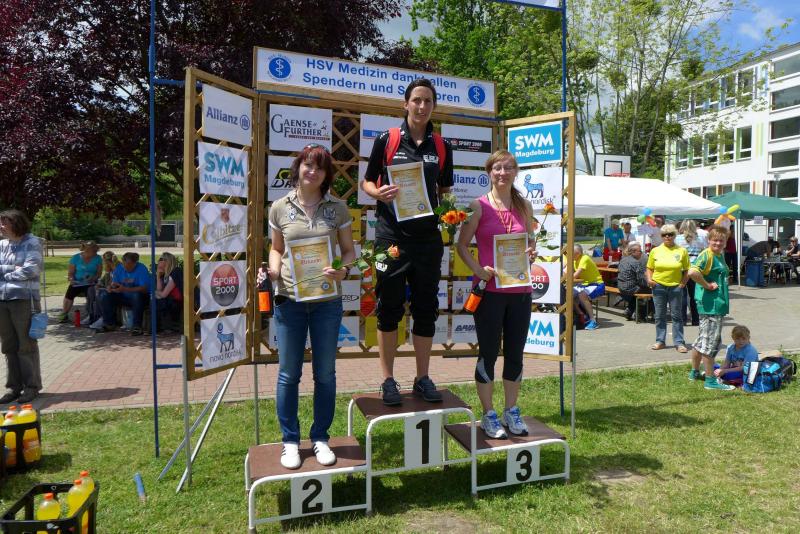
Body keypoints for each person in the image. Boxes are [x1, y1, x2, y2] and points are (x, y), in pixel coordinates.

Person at [361, 78, 454, 406]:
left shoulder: (442, 145)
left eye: (428, 101)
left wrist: (448, 214)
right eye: (416, 100)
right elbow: (367, 182)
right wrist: (378, 192)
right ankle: (388, 380)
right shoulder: (387, 139)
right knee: (389, 308)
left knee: (426, 310)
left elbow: (445, 191)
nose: (422, 106)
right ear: (406, 104)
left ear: (433, 106)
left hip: (428, 240)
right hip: (391, 238)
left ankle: (422, 377)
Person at [264, 144, 355, 469]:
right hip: (289, 300)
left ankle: (320, 438)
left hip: (326, 303)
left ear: (326, 174)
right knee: (288, 374)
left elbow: (348, 251)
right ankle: (290, 441)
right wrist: (273, 270)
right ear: (298, 167)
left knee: (325, 374)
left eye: (319, 167)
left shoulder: (338, 208)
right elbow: (276, 249)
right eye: (307, 164)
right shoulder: (279, 208)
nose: (312, 171)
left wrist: (342, 270)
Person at [456, 150, 537, 439]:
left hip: (520, 290)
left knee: (515, 354)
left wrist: (532, 251)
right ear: (489, 172)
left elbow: (531, 240)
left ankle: (511, 410)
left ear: (516, 172)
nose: (503, 173)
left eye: (508, 168)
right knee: (488, 353)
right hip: (490, 292)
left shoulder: (524, 205)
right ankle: (489, 413)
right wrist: (479, 270)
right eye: (497, 168)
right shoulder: (477, 206)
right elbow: (461, 245)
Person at [685, 225, 737, 390]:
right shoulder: (707, 255)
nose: (718, 243)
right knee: (711, 343)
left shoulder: (718, 255)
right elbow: (692, 272)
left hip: (715, 304)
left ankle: (694, 372)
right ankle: (710, 381)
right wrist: (707, 285)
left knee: (702, 340)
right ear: (709, 240)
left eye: (722, 240)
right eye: (715, 240)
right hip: (711, 305)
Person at [0, 210, 43, 404]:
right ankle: (14, 387)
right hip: (2, 299)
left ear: (16, 224)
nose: (1, 227)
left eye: (4, 223)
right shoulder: (2, 245)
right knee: (8, 345)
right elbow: (21, 270)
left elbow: (31, 269)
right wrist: (13, 270)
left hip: (24, 299)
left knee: (26, 345)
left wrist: (5, 274)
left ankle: (31, 387)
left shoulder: (32, 242)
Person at [646, 224, 689, 352]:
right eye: (664, 235)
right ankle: (660, 341)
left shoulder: (682, 251)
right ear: (661, 236)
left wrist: (682, 284)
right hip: (658, 286)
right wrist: (649, 279)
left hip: (675, 287)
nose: (667, 237)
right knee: (659, 315)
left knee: (677, 316)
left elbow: (687, 270)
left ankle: (679, 342)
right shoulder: (655, 250)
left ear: (674, 236)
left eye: (670, 234)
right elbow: (649, 268)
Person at [100, 252, 150, 335]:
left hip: (141, 298)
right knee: (105, 295)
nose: (126, 268)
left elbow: (144, 288)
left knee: (136, 295)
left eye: (129, 265)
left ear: (135, 263)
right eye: (124, 265)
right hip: (123, 296)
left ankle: (137, 327)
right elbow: (114, 283)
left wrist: (125, 289)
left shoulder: (141, 268)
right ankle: (109, 324)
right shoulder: (119, 268)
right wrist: (111, 287)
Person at [57, 241, 102, 323]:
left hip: (90, 283)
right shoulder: (75, 258)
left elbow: (99, 274)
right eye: (93, 251)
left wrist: (93, 278)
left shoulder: (98, 258)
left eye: (95, 251)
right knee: (70, 293)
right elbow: (70, 273)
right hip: (77, 282)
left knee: (90, 292)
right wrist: (71, 280)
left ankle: (91, 315)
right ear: (86, 250)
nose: (95, 253)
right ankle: (64, 314)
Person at [675, 220, 707, 327]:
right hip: (695, 269)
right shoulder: (700, 238)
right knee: (695, 296)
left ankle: (683, 320)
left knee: (682, 295)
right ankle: (696, 320)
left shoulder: (677, 238)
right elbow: (704, 252)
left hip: (682, 269)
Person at [571, 244, 604, 330]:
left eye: (571, 252)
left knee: (582, 295)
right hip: (586, 284)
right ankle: (582, 316)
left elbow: (575, 275)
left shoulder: (584, 258)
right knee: (568, 294)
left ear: (578, 253)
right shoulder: (575, 260)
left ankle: (593, 321)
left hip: (597, 284)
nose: (569, 254)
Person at [616, 242, 650, 321]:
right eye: (640, 251)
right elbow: (641, 279)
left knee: (640, 290)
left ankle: (629, 311)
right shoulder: (636, 262)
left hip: (621, 286)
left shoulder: (623, 260)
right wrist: (649, 283)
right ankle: (641, 314)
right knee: (651, 291)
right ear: (633, 252)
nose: (641, 253)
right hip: (630, 288)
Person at [88, 251, 120, 330]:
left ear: (107, 262)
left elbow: (116, 283)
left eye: (104, 262)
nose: (103, 264)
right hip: (109, 289)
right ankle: (92, 316)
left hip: (117, 291)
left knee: (101, 293)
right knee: (91, 290)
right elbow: (103, 280)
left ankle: (102, 318)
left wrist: (107, 287)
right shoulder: (109, 270)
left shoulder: (118, 269)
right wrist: (99, 284)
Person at [154, 252, 183, 332]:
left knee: (156, 300)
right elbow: (159, 290)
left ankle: (155, 327)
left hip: (178, 303)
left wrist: (156, 293)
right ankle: (156, 327)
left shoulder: (175, 273)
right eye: (159, 259)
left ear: (168, 262)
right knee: (155, 299)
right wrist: (158, 276)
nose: (159, 261)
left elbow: (163, 294)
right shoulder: (164, 275)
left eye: (162, 259)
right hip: (169, 301)